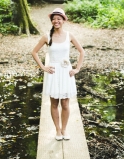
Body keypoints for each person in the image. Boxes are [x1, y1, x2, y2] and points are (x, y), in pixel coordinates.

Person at [31, 8, 84, 141]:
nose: (56, 21)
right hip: (53, 72)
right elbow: (34, 52)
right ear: (51, 21)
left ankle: (65, 129)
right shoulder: (47, 37)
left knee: (65, 104)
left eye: (59, 19)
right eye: (54, 19)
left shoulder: (69, 35)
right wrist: (43, 67)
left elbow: (82, 52)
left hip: (66, 72)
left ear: (63, 20)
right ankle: (58, 130)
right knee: (54, 103)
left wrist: (77, 68)